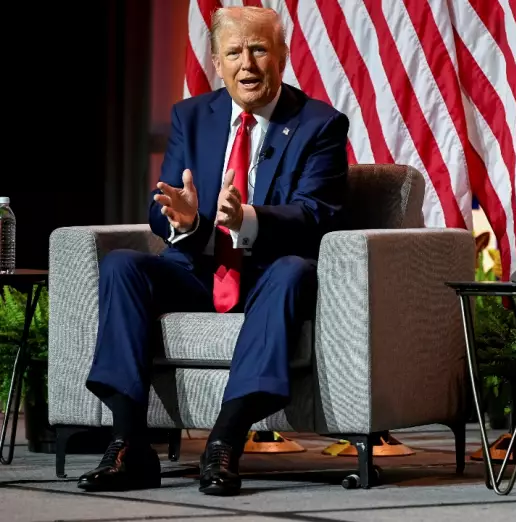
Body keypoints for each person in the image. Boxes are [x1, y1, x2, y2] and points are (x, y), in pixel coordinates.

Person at [76, 6, 349, 497]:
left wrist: (246, 218)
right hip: (200, 271)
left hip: (269, 278)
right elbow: (165, 206)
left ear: (283, 56)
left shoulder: (319, 124)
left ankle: (225, 438)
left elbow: (316, 214)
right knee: (121, 265)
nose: (247, 64)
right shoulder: (192, 116)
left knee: (290, 271)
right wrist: (184, 220)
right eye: (234, 53)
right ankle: (129, 442)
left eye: (259, 49)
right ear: (218, 63)